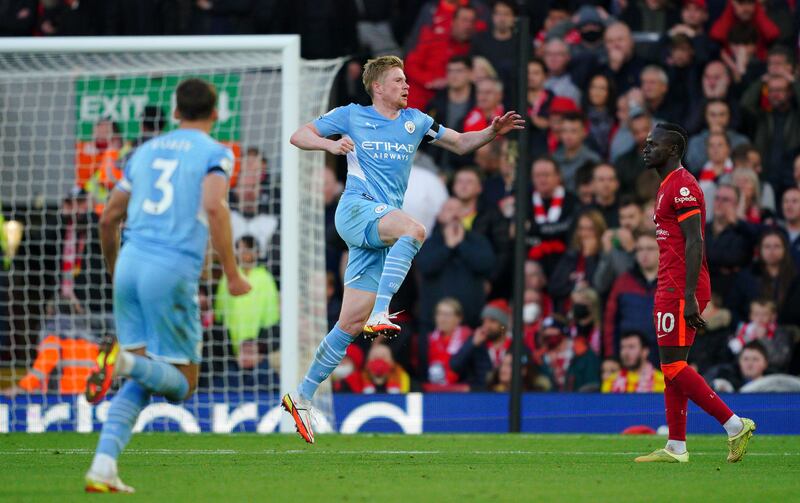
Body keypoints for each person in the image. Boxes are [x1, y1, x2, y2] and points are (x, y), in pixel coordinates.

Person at [284, 55, 523, 443]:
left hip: (379, 226)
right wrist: (328, 148)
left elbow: (461, 143)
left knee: (347, 324)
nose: (406, 85)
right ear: (378, 87)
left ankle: (302, 395)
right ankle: (382, 310)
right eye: (398, 80)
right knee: (414, 228)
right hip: (357, 209)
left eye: (406, 79)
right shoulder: (351, 115)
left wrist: (492, 132)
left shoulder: (417, 121)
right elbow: (299, 135)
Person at [83, 78, 251, 492]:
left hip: (130, 265)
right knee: (182, 384)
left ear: (175, 113)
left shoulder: (142, 152)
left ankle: (103, 466)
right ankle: (122, 361)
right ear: (215, 114)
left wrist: (115, 269)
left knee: (145, 377)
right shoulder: (216, 152)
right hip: (171, 269)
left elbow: (108, 218)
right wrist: (231, 273)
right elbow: (214, 207)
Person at [634, 122, 755, 465]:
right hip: (672, 284)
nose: (646, 148)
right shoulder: (667, 185)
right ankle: (676, 446)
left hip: (679, 287)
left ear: (672, 150)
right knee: (674, 366)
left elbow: (696, 241)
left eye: (652, 144)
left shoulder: (683, 186)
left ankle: (734, 424)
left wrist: (688, 295)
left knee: (672, 367)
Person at [214, 235, 280, 372]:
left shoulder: (265, 278)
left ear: (256, 252)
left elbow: (271, 317)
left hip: (258, 350)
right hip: (230, 349)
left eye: (248, 250)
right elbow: (220, 314)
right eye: (241, 250)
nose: (244, 254)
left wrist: (259, 345)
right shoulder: (228, 277)